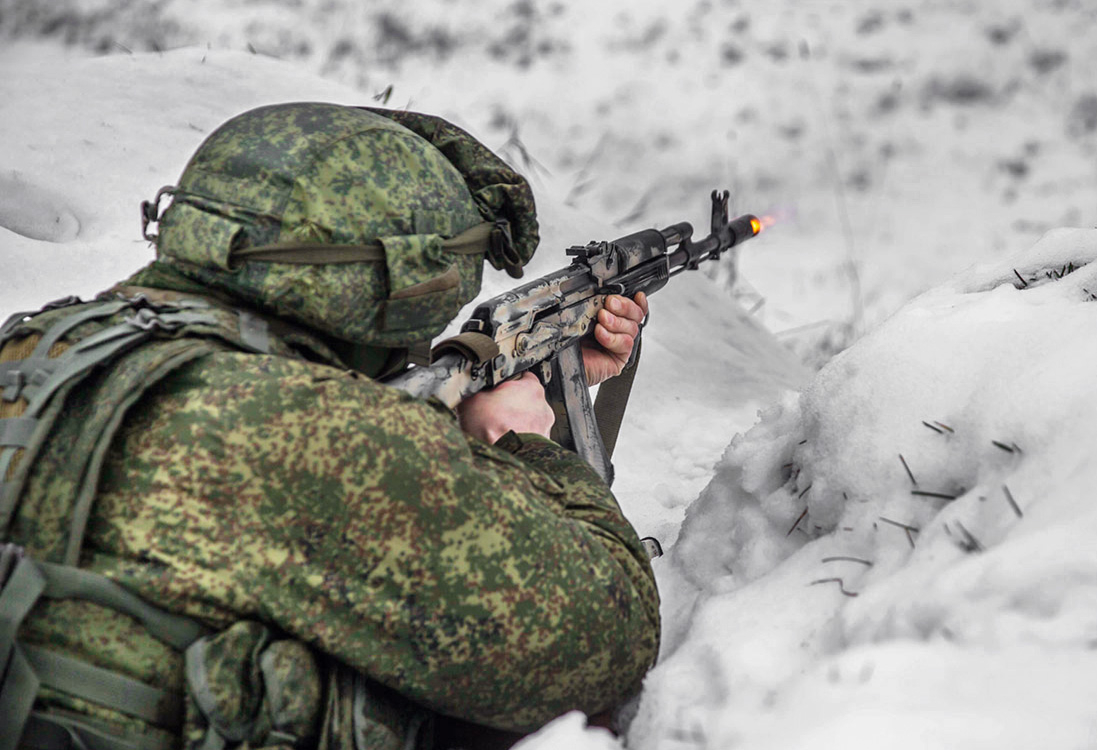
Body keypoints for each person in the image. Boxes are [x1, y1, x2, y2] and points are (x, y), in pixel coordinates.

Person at [0, 102, 659, 750]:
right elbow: (609, 639)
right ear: (395, 279)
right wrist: (523, 441)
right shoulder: (318, 431)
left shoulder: (37, 347)